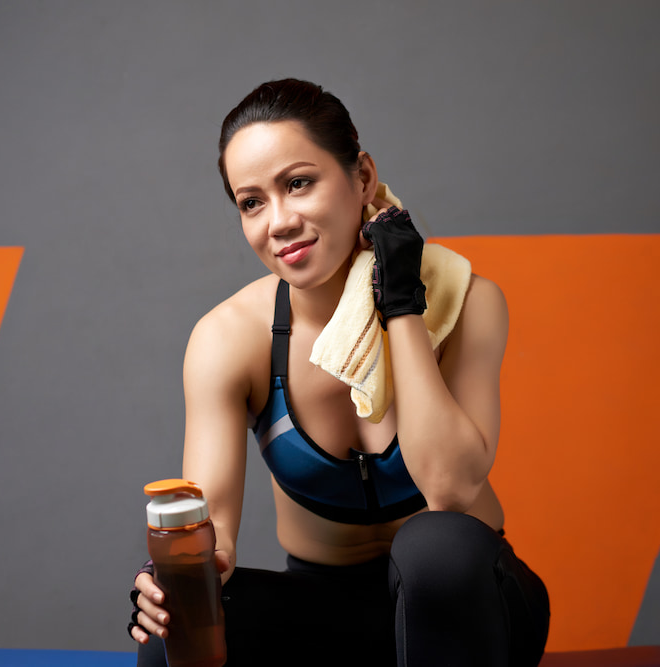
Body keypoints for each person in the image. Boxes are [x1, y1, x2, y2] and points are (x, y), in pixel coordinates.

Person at [128, 78, 549, 667]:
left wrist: (401, 301)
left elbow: (450, 490)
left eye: (298, 183)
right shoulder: (230, 338)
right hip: (323, 616)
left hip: (469, 606)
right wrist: (170, 583)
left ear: (363, 176)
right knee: (174, 625)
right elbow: (212, 532)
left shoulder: (468, 302)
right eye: (252, 202)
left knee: (435, 545)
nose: (278, 221)